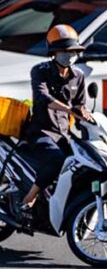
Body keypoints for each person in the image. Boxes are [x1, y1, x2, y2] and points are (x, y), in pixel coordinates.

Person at [18, 25, 91, 214]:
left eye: (73, 51)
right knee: (58, 160)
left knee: (83, 163)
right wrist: (69, 109)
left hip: (64, 135)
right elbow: (42, 98)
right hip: (41, 133)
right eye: (65, 51)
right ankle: (31, 196)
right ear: (54, 52)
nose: (69, 55)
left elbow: (80, 105)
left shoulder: (79, 76)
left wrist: (89, 119)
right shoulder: (40, 71)